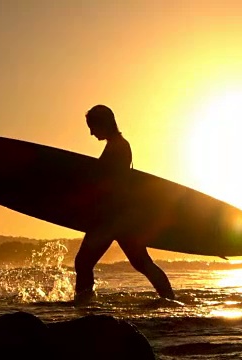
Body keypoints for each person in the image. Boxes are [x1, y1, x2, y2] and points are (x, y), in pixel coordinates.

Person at [74, 104, 175, 303]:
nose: (91, 133)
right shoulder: (117, 145)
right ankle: (170, 300)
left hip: (111, 218)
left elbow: (113, 184)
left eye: (92, 127)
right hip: (123, 217)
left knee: (83, 263)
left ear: (104, 124)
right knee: (142, 262)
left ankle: (84, 306)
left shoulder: (118, 147)